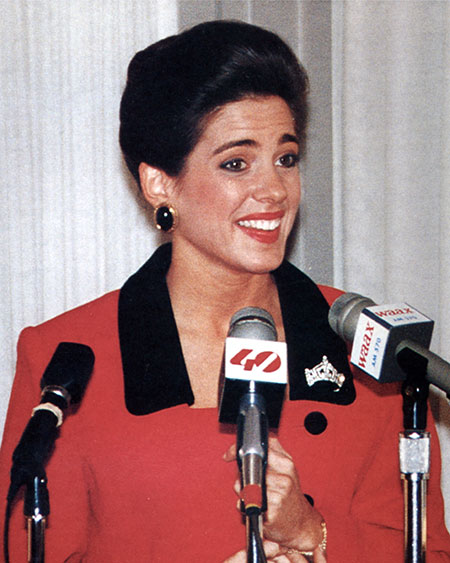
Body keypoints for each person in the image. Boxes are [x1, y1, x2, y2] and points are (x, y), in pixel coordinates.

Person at [0, 20, 449, 562]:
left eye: (286, 157)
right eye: (237, 163)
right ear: (160, 183)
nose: (274, 190)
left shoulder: (365, 346)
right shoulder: (68, 357)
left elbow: (423, 551)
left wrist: (315, 536)